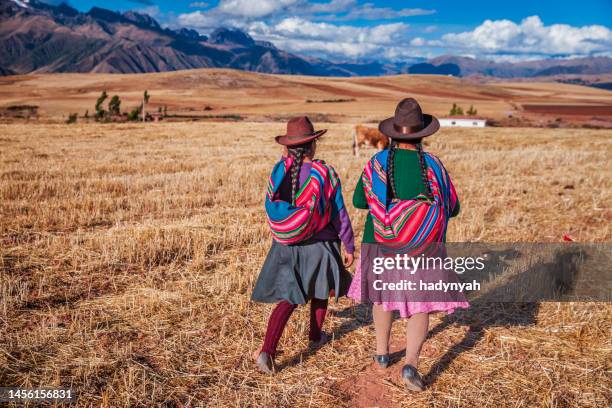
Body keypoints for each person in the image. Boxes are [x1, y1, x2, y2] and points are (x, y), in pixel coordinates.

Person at [348, 98, 468, 391]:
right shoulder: (434, 166)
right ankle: (411, 363)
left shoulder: (376, 163)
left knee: (382, 299)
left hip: (379, 244)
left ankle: (381, 353)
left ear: (393, 133)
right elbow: (453, 207)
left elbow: (358, 201)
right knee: (420, 305)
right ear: (422, 135)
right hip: (424, 248)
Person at [252, 116, 355, 373]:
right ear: (314, 145)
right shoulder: (325, 173)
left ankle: (267, 350)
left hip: (287, 245)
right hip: (321, 245)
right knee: (321, 290)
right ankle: (315, 335)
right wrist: (349, 246)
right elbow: (339, 213)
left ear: (286, 147)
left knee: (288, 298)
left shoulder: (279, 170)